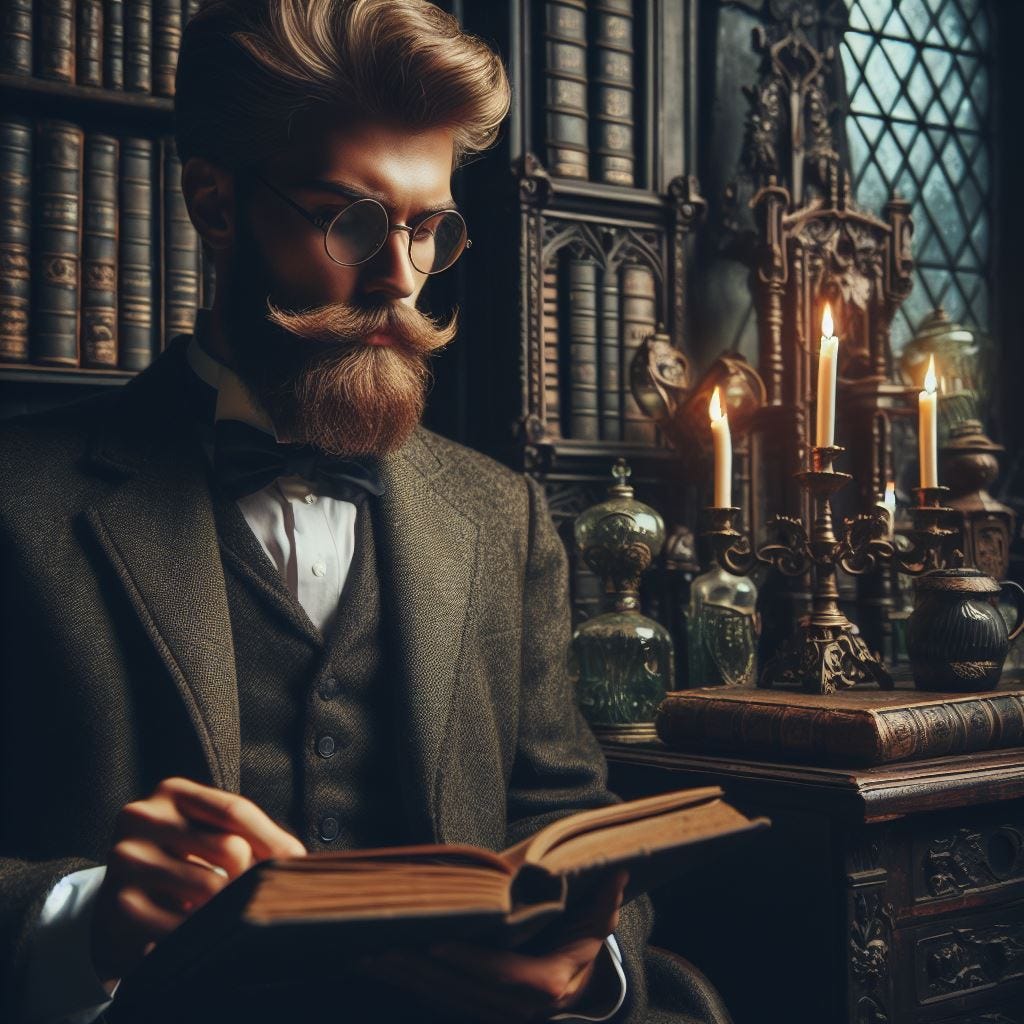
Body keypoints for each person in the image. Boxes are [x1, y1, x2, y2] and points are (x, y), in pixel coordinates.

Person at [0, 3, 726, 1022]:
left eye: (427, 227)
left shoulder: (500, 512)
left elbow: (567, 819)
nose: (400, 279)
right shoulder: (16, 502)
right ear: (214, 202)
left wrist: (585, 962)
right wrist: (81, 918)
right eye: (350, 219)